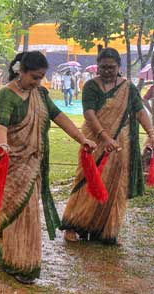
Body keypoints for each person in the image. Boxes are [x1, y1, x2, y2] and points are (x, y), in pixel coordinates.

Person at [0, 51, 95, 284]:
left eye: (41, 77)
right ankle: (17, 261)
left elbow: (59, 117)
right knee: (18, 211)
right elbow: (1, 125)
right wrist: (3, 145)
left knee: (28, 213)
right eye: (34, 77)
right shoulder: (6, 95)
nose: (38, 82)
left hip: (35, 161)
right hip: (12, 160)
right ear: (21, 71)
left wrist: (82, 138)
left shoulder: (40, 93)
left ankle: (21, 259)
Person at [60, 48, 154, 244]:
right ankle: (73, 225)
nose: (107, 71)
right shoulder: (91, 86)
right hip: (94, 142)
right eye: (103, 67)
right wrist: (104, 137)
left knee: (115, 185)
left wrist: (152, 133)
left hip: (121, 143)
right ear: (98, 67)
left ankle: (105, 231)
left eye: (111, 67)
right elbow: (89, 114)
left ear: (119, 67)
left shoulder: (128, 88)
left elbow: (140, 112)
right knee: (87, 181)